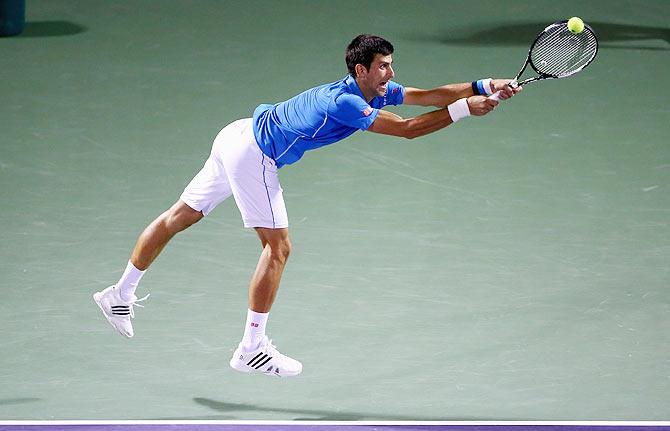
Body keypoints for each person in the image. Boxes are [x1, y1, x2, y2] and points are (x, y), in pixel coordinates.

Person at [93, 34, 521, 378]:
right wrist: (464, 110)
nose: (391, 74)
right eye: (384, 66)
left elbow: (423, 96)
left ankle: (119, 293)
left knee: (178, 217)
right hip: (254, 155)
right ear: (361, 69)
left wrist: (484, 86)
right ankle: (251, 348)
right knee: (277, 249)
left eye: (391, 64)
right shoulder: (347, 102)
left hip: (236, 134)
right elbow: (408, 130)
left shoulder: (368, 89)